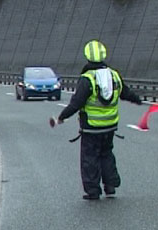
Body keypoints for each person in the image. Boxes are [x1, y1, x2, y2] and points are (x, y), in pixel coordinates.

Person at [56, 40, 142, 200]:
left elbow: (76, 103)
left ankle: (93, 191)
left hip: (91, 127)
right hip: (110, 127)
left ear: (87, 57)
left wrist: (62, 116)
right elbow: (126, 93)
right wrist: (138, 100)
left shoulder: (88, 78)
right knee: (106, 154)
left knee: (90, 158)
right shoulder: (114, 75)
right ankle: (110, 186)